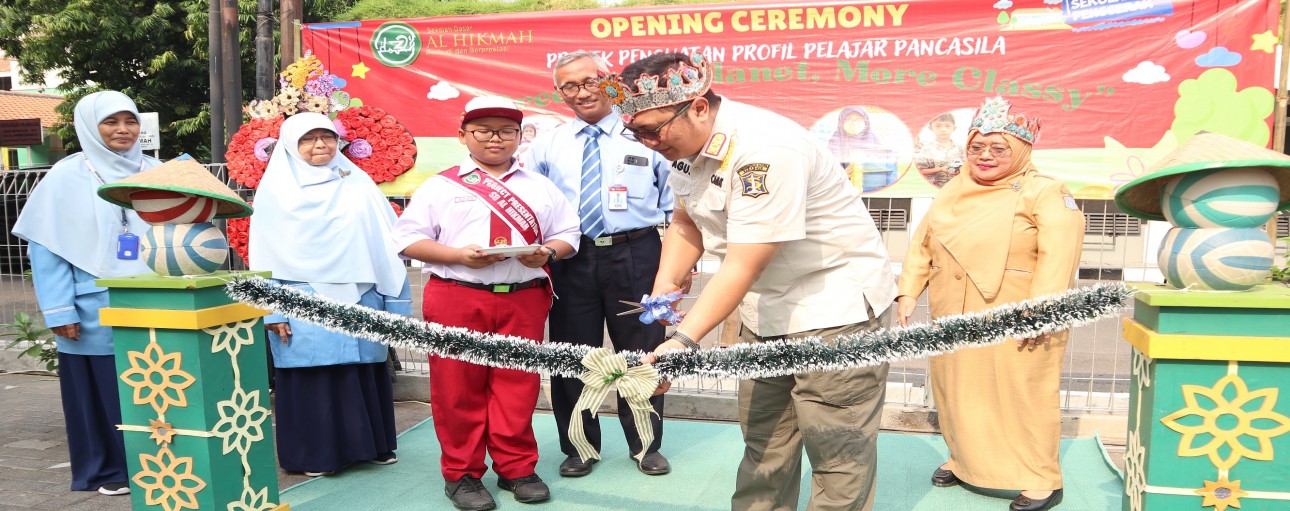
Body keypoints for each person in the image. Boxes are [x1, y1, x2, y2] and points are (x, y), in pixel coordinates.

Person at [621, 53, 899, 511]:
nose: (648, 143)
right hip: (764, 311)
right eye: (636, 134)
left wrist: (684, 341)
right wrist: (663, 290)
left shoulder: (766, 149)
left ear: (698, 107)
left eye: (653, 130)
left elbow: (743, 264)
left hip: (835, 311)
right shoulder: (684, 149)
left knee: (837, 453)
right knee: (765, 445)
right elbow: (685, 223)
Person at [896, 96, 1084, 511]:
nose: (985, 156)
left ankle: (1040, 478)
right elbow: (923, 243)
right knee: (956, 391)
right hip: (953, 310)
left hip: (1018, 315)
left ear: (1021, 149)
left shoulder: (1044, 191)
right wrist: (909, 289)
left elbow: (1059, 255)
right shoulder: (952, 190)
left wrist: (1041, 313)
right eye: (976, 147)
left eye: (998, 148)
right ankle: (964, 461)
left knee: (1023, 393)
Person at [393, 96, 579, 511]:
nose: (496, 138)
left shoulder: (539, 186)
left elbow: (569, 233)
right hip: (457, 295)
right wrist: (457, 256)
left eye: (506, 130)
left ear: (520, 136)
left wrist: (547, 253)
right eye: (483, 130)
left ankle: (517, 468)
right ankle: (462, 474)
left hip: (522, 299)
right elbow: (407, 239)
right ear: (463, 135)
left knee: (518, 386)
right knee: (457, 388)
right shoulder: (441, 185)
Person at [520, 50, 675, 478]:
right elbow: (533, 204)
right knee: (573, 356)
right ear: (559, 92)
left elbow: (674, 204)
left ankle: (646, 446)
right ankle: (579, 447)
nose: (582, 92)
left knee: (641, 353)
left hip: (637, 253)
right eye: (570, 86)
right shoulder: (548, 144)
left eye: (590, 81)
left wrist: (676, 267)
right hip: (571, 258)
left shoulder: (642, 133)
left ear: (609, 82)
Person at [12, 90, 159, 497]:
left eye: (130, 121)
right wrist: (60, 310)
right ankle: (110, 468)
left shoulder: (157, 170)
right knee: (102, 388)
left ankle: (158, 463)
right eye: (110, 122)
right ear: (90, 127)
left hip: (156, 300)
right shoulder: (66, 176)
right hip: (93, 304)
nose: (123, 130)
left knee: (156, 382)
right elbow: (47, 247)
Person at [249, 112, 411, 477]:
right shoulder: (276, 192)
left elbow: (388, 246)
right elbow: (262, 255)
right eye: (308, 139)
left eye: (327, 136)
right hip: (302, 300)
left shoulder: (358, 184)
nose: (320, 145)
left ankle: (371, 446)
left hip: (361, 295)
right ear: (291, 145)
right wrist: (272, 312)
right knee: (313, 377)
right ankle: (316, 455)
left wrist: (395, 304)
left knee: (361, 372)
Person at [829, 106, 896, 192]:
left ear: (865, 121)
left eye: (858, 119)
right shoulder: (835, 141)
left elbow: (884, 165)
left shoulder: (872, 138)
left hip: (872, 188)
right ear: (841, 122)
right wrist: (843, 174)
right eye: (848, 119)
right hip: (843, 190)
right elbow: (828, 172)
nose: (853, 122)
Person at [914, 113, 965, 188]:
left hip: (956, 187)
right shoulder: (927, 148)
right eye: (938, 126)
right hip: (935, 188)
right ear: (930, 128)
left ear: (954, 128)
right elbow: (921, 170)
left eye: (947, 126)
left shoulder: (960, 148)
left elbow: (966, 167)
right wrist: (940, 169)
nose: (943, 129)